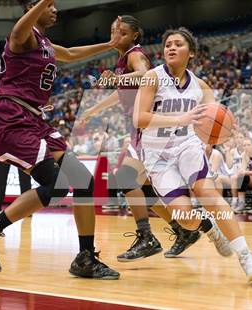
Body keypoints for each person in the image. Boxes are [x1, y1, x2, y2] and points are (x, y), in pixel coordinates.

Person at [0, 0, 120, 278]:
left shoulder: (45, 43)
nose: (55, 10)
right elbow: (17, 31)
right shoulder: (22, 37)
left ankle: (85, 257)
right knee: (56, 185)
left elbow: (72, 53)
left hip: (33, 119)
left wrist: (109, 45)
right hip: (10, 117)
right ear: (34, 8)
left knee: (82, 180)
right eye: (49, 5)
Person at [133, 27, 252, 283]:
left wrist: (226, 129)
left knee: (209, 194)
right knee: (186, 220)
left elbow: (212, 121)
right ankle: (209, 228)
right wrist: (179, 117)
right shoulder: (152, 77)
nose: (170, 48)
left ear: (191, 53)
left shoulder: (201, 86)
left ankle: (247, 256)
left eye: (177, 44)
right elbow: (139, 118)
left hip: (187, 146)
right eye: (167, 44)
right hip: (157, 156)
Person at [81, 16, 200, 261]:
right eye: (114, 31)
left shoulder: (135, 55)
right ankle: (182, 230)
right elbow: (120, 92)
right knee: (143, 189)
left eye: (122, 33)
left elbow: (143, 74)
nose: (117, 37)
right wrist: (94, 109)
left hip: (149, 127)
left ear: (134, 36)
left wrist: (119, 78)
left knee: (126, 179)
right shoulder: (124, 58)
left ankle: (148, 236)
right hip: (143, 129)